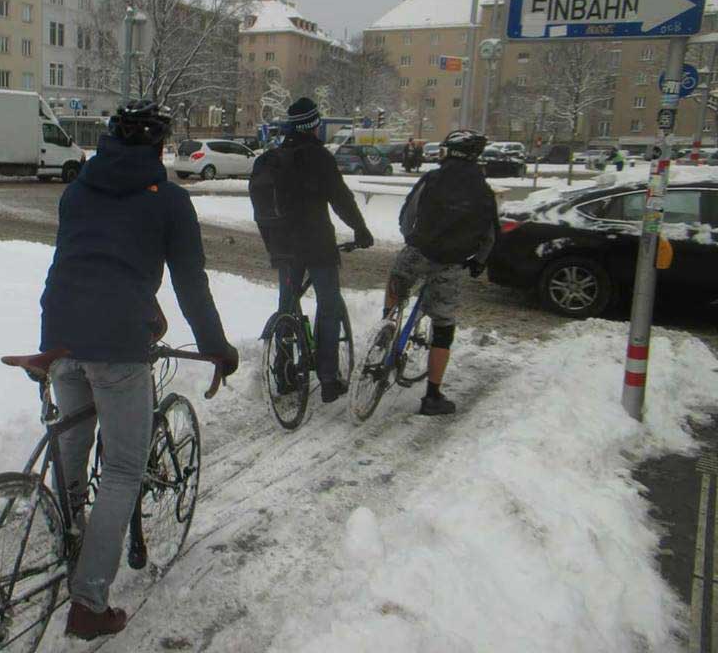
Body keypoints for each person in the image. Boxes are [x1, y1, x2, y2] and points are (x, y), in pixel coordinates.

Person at [39, 100, 239, 641]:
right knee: (126, 471)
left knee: (73, 448)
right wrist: (217, 347)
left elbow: (85, 261)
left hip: (59, 332)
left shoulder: (77, 188)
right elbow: (190, 285)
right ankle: (88, 602)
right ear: (159, 146)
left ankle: (73, 539)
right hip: (119, 344)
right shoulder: (170, 201)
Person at [257, 97, 375, 403]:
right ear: (313, 125)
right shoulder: (319, 157)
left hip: (281, 244)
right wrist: (360, 230)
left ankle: (283, 373)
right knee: (328, 303)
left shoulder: (275, 157)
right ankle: (328, 377)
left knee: (287, 305)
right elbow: (341, 199)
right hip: (316, 243)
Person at [384, 129, 499, 416]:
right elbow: (489, 234)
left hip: (418, 251)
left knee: (395, 285)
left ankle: (385, 330)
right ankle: (432, 396)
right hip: (451, 262)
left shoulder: (432, 178)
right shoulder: (483, 191)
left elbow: (408, 213)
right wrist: (478, 262)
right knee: (444, 324)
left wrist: (410, 238)